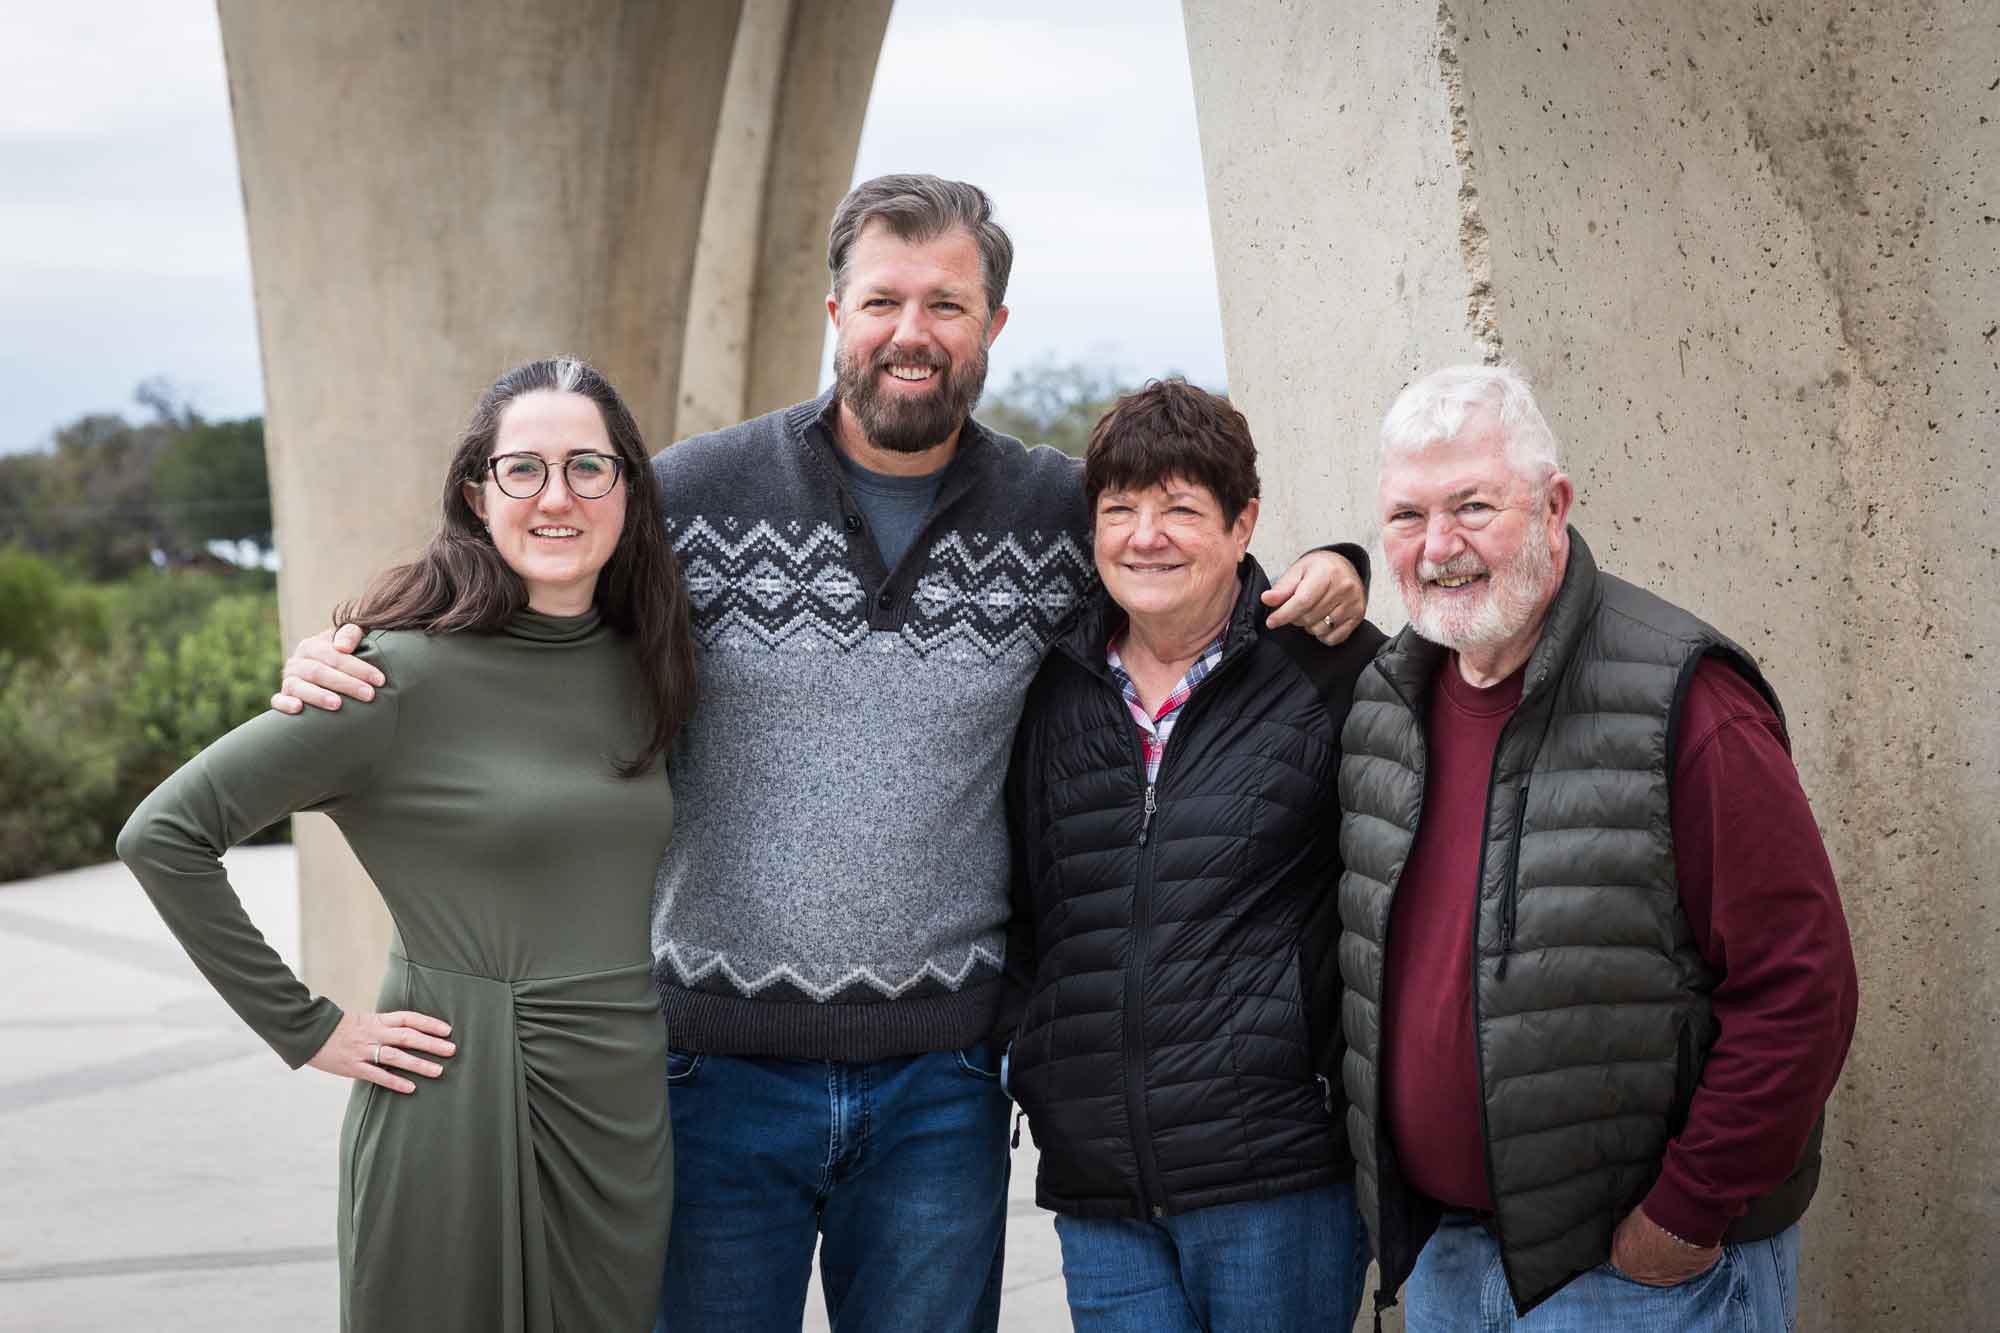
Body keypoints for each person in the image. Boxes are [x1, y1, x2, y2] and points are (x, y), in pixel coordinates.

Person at [273, 175, 1369, 1333]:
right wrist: (361, 646)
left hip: (938, 1089)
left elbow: (1191, 576)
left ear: (992, 326)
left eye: (946, 305)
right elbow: (522, 605)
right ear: (834, 311)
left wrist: (1336, 565)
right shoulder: (691, 496)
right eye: (883, 299)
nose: (912, 332)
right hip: (708, 1074)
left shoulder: (1055, 514)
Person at [120, 357, 696, 1332]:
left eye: (588, 467)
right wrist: (309, 1028)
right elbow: (165, 834)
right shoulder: (390, 678)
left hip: (621, 1108)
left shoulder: (657, 661)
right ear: (477, 493)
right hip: (456, 1099)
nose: (556, 496)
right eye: (523, 469)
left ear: (629, 491)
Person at [1337, 364, 1859, 1330]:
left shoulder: (1687, 700)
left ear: (1554, 506)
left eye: (1473, 506)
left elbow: (1802, 984)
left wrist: (1682, 1215)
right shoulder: (1385, 698)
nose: (1439, 546)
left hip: (1637, 1277)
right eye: (1407, 515)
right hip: (1449, 1257)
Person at [1002, 379, 1382, 1332]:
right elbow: (1022, 899)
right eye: (1120, 509)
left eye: (1179, 509)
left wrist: (1346, 563)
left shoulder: (1330, 671)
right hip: (1099, 1187)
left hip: (1277, 1176)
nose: (1145, 536)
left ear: (1243, 520)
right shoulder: (1051, 688)